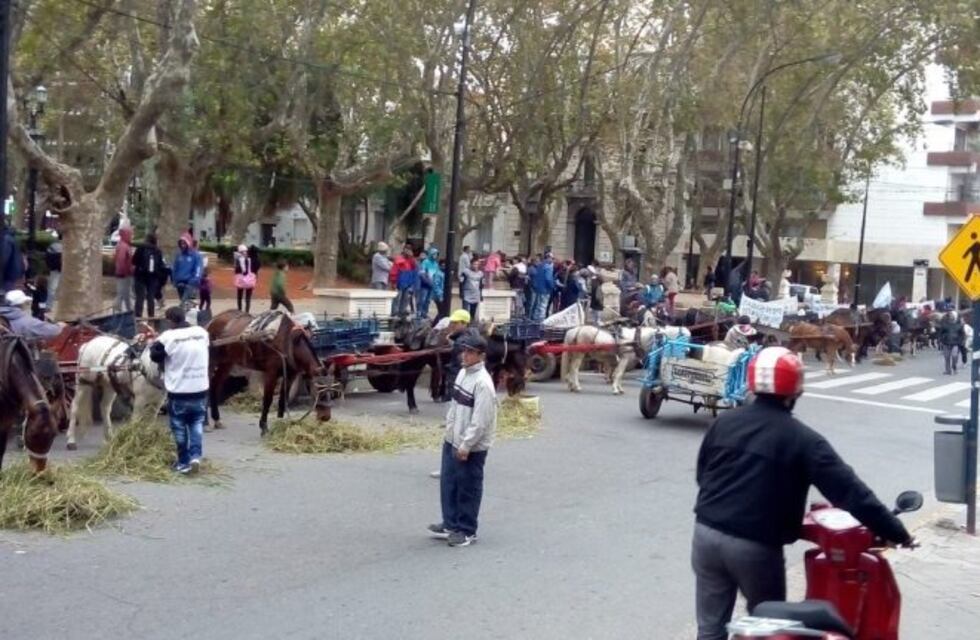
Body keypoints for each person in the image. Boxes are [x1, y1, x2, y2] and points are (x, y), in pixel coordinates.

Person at [692, 346, 913, 640]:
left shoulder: (724, 422)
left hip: (706, 535)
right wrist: (898, 532)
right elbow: (851, 492)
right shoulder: (804, 440)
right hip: (755, 547)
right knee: (770, 629)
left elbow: (702, 475)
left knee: (709, 628)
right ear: (796, 391)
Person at [428, 330, 498, 547]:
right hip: (453, 438)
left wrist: (466, 445)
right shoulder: (462, 374)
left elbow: (480, 421)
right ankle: (450, 523)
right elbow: (455, 406)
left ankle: (467, 530)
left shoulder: (483, 384)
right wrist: (449, 432)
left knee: (468, 487)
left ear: (481, 355)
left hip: (471, 446)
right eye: (463, 351)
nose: (464, 356)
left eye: (470, 352)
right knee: (449, 483)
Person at [149, 306, 210, 475]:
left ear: (169, 321)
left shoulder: (168, 337)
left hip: (179, 391)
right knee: (196, 423)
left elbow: (154, 356)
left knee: (179, 427)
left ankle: (183, 462)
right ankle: (196, 456)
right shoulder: (201, 332)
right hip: (200, 388)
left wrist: (153, 344)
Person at [132, 232, 163, 318]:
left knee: (140, 297)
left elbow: (134, 261)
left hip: (140, 275)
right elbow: (160, 265)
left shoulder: (141, 248)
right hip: (152, 277)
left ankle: (138, 316)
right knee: (151, 297)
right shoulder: (158, 251)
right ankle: (151, 316)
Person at [171, 238, 203, 303]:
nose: (183, 245)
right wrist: (174, 280)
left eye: (184, 243)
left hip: (190, 282)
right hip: (179, 282)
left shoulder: (196, 255)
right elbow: (175, 268)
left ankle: (186, 308)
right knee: (183, 300)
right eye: (181, 243)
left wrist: (195, 279)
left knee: (184, 302)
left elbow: (198, 268)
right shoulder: (179, 255)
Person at [390, 244, 418, 316]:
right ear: (403, 250)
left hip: (407, 283)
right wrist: (394, 282)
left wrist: (411, 257)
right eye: (406, 249)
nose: (407, 251)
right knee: (397, 298)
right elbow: (394, 271)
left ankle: (402, 313)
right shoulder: (399, 259)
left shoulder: (411, 260)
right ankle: (394, 313)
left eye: (409, 249)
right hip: (399, 282)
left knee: (405, 299)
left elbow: (415, 268)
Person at [112, 226, 135, 314]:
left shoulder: (123, 245)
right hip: (124, 274)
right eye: (130, 234)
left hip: (124, 273)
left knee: (125, 293)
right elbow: (121, 260)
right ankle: (118, 310)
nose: (131, 236)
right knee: (122, 293)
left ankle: (128, 310)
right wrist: (125, 271)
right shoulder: (123, 246)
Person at [529, 254, 555, 321]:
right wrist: (552, 286)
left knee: (538, 305)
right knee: (543, 305)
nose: (552, 260)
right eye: (552, 258)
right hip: (545, 289)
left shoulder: (539, 266)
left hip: (538, 288)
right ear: (548, 258)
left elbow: (536, 277)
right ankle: (541, 320)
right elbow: (548, 279)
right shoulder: (548, 267)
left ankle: (535, 319)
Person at [417, 247, 441, 318]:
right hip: (424, 284)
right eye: (434, 254)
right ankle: (419, 312)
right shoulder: (425, 262)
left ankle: (424, 313)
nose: (435, 256)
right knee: (422, 299)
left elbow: (437, 274)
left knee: (428, 300)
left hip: (432, 285)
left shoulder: (436, 264)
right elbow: (421, 273)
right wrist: (427, 281)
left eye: (436, 255)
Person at [0, 225, 24, 294]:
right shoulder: (8, 238)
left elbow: (3, 260)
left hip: (7, 276)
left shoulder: (5, 239)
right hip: (10, 275)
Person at [233, 244, 257, 313]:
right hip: (249, 281)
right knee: (248, 298)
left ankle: (239, 311)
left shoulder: (238, 261)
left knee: (239, 297)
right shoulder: (250, 260)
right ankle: (247, 312)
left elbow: (238, 271)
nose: (245, 252)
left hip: (240, 281)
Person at [939, 310, 964, 375]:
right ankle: (948, 370)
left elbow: (962, 334)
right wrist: (941, 340)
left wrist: (961, 341)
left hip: (955, 343)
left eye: (952, 316)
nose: (951, 317)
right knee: (947, 357)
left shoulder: (959, 325)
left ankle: (954, 367)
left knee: (954, 356)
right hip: (946, 343)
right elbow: (941, 333)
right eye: (950, 316)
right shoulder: (945, 324)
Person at [45, 238, 63, 311]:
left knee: (52, 289)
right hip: (61, 269)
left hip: (56, 270)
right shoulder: (60, 246)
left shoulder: (53, 246)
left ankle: (48, 306)